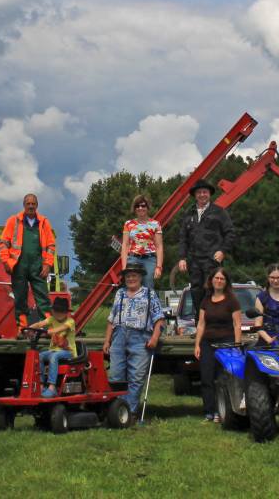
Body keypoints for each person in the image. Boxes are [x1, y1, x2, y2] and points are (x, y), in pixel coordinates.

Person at [104, 264, 164, 418]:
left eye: (134, 275)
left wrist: (155, 338)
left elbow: (159, 319)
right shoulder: (120, 294)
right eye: (128, 276)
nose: (131, 278)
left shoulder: (149, 294)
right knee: (116, 376)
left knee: (136, 376)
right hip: (118, 336)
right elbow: (111, 319)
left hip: (140, 337)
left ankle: (129, 412)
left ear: (140, 277)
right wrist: (107, 341)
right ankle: (116, 411)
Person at [176, 178, 235, 317]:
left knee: (213, 288)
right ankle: (200, 319)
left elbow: (230, 233)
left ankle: (216, 318)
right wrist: (182, 258)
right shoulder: (188, 213)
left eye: (205, 192)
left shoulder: (219, 212)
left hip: (212, 259)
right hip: (194, 260)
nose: (202, 195)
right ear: (195, 195)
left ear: (209, 194)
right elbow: (183, 238)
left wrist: (222, 251)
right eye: (199, 192)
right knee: (196, 290)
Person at [0, 193, 57, 328]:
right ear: (24, 205)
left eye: (33, 204)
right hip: (19, 266)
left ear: (37, 205)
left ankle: (48, 327)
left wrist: (48, 264)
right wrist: (6, 261)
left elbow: (51, 245)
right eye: (28, 204)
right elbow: (3, 243)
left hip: (38, 266)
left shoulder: (44, 222)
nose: (31, 206)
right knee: (20, 298)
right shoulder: (13, 221)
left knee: (43, 297)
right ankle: (23, 328)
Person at [193, 267, 241, 423]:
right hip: (207, 343)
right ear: (211, 280)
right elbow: (201, 324)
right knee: (207, 378)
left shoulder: (231, 300)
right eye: (216, 278)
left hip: (226, 343)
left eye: (222, 279)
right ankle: (209, 412)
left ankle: (224, 411)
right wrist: (197, 345)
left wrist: (237, 345)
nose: (219, 281)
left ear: (226, 282)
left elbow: (237, 324)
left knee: (223, 378)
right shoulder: (205, 300)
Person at [28, 296, 77, 398]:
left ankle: (52, 387)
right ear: (53, 311)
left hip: (68, 352)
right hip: (53, 350)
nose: (58, 313)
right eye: (56, 311)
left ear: (66, 312)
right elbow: (40, 323)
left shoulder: (70, 321)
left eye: (61, 311)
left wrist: (48, 331)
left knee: (53, 357)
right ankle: (41, 385)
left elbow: (61, 328)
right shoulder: (51, 319)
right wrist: (29, 328)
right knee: (40, 356)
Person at [120, 194, 163, 291]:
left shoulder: (155, 224)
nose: (140, 208)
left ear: (147, 207)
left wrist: (159, 267)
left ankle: (148, 306)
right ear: (134, 208)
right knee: (131, 286)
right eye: (137, 206)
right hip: (133, 258)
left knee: (148, 286)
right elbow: (125, 245)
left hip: (149, 259)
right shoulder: (128, 224)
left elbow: (159, 246)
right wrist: (124, 266)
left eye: (143, 205)